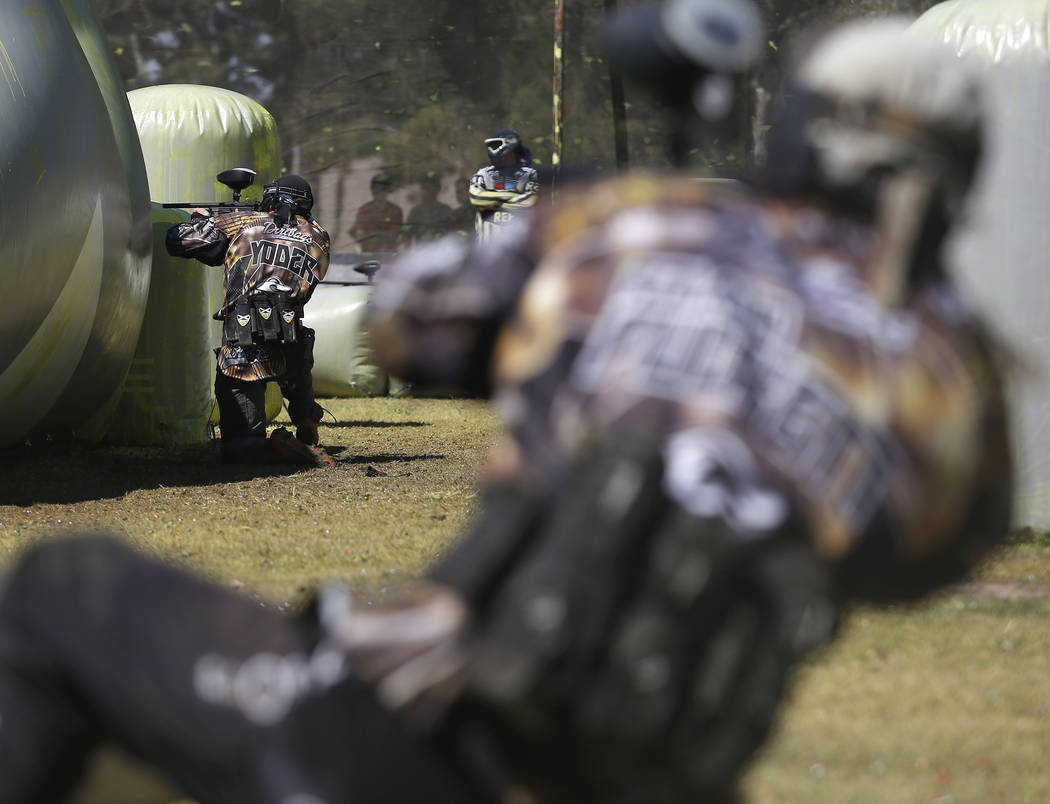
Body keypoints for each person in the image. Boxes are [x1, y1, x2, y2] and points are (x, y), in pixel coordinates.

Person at [0, 8, 1013, 804]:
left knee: (64, 586)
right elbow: (922, 555)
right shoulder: (950, 376)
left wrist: (585, 244)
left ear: (799, 128)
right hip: (653, 780)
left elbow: (404, 325)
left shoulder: (633, 223)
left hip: (407, 737)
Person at [165, 173, 335, 467]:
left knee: (242, 450)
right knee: (296, 358)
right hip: (291, 345)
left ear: (272, 200)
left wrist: (201, 219)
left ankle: (290, 449)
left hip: (244, 348)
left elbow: (179, 241)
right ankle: (306, 415)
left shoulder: (246, 224)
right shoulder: (320, 237)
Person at [468, 128, 540, 241]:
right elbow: (476, 198)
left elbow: (531, 202)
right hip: (486, 247)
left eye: (496, 145)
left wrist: (492, 203)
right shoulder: (484, 173)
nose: (492, 149)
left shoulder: (529, 174)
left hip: (519, 246)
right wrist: (511, 197)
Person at [352, 172, 404, 254]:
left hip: (389, 258)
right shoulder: (364, 210)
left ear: (388, 190)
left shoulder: (395, 211)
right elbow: (360, 236)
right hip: (368, 257)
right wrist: (382, 234)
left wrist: (372, 235)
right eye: (376, 188)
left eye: (383, 188)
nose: (379, 192)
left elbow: (394, 235)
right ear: (372, 190)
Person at [406, 173, 454, 245]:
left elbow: (452, 235)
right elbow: (406, 236)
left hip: (441, 253)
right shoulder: (415, 212)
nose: (427, 191)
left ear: (437, 189)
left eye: (431, 187)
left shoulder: (446, 211)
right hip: (421, 253)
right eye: (425, 187)